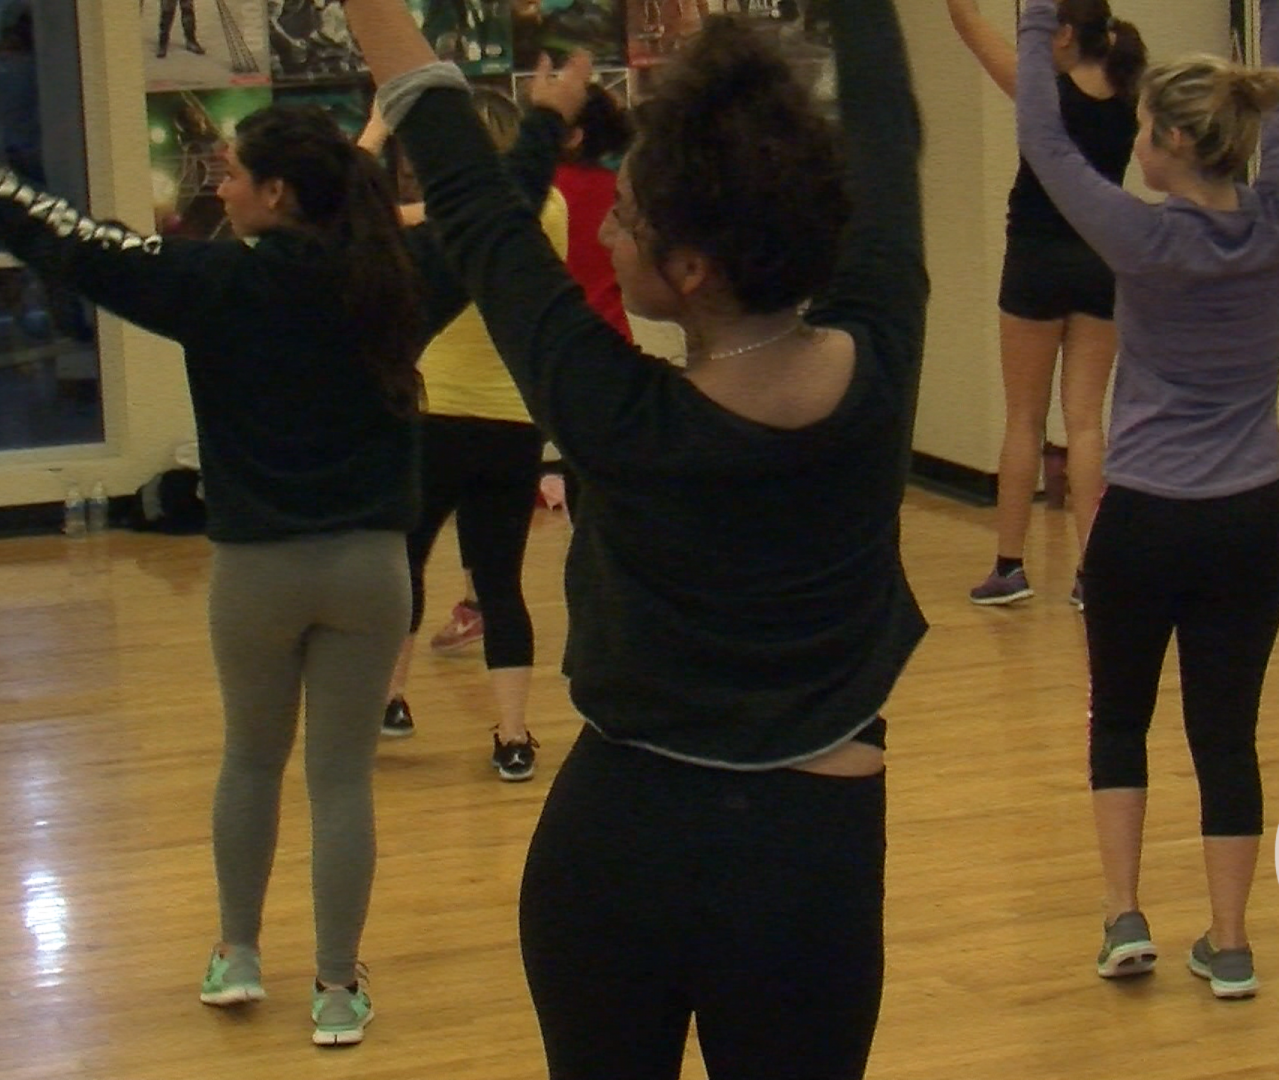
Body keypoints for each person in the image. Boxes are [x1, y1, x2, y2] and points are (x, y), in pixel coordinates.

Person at [341, 0, 925, 1073]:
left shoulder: (613, 410)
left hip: (618, 847)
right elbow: (887, 125)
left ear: (693, 268)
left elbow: (465, 188)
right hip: (811, 863)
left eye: (629, 217)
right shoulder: (884, 346)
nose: (606, 228)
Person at [0, 79, 469, 1045]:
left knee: (251, 760)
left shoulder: (212, 283)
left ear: (276, 196)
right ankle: (338, 990)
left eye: (232, 177)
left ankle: (236, 955)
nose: (219, 190)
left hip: (257, 574)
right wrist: (549, 123)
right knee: (342, 779)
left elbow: (60, 236)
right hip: (368, 570)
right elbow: (499, 198)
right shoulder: (408, 275)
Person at [1017, 0, 1279, 999]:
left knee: (1119, 719)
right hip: (1249, 518)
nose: (1132, 141)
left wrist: (1034, 22)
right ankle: (1229, 944)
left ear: (1176, 141)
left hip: (1142, 516)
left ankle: (1125, 919)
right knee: (1226, 733)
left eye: (1144, 127)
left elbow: (1043, 139)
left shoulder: (1140, 238)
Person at [360, 89, 564, 780]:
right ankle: (512, 737)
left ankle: (390, 699)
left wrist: (374, 131)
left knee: (405, 562)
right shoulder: (550, 207)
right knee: (500, 582)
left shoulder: (454, 213)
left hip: (435, 416)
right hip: (514, 424)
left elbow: (370, 218)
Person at [422, 79, 634, 657]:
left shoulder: (537, 189)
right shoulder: (611, 188)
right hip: (612, 355)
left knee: (474, 511)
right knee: (593, 513)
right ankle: (610, 621)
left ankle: (478, 607)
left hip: (559, 355)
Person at [948, 0, 1144, 610]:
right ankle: (1095, 571)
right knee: (1086, 423)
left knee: (1023, 419)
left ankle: (1009, 568)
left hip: (1035, 262)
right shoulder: (1127, 93)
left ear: (1061, 35)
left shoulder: (1044, 97)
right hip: (1100, 264)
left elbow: (968, 26)